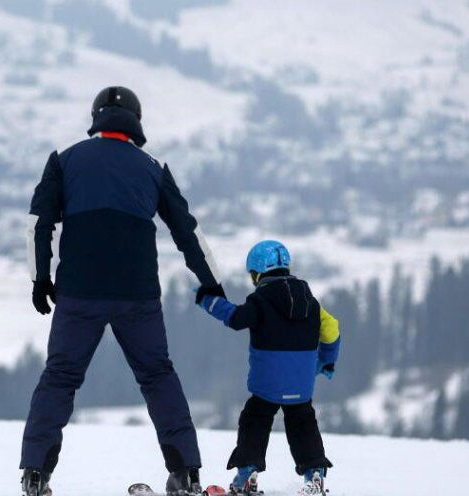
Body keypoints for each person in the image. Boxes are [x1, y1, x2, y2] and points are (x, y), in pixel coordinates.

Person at [20, 86, 225, 496]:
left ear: (96, 117)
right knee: (157, 376)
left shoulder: (64, 161)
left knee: (59, 377)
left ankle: (36, 475)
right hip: (138, 296)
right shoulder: (152, 167)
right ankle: (186, 473)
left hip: (79, 292)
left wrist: (40, 278)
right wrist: (210, 282)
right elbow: (189, 232)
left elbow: (39, 223)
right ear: (137, 120)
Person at [196, 240, 340, 496]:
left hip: (268, 383)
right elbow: (331, 330)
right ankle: (314, 474)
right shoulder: (310, 301)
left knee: (256, 418)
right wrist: (326, 360)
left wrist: (209, 302)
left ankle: (247, 473)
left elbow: (236, 319)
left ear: (258, 272)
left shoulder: (261, 300)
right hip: (301, 382)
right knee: (302, 421)